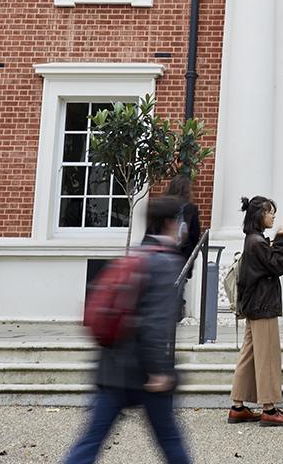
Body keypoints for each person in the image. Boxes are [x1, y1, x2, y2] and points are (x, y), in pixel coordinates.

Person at [62, 195, 190, 464]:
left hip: (112, 367)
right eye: (180, 221)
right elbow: (156, 322)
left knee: (90, 442)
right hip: (144, 373)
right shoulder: (166, 262)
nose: (183, 227)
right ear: (169, 223)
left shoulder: (138, 255)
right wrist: (159, 371)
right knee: (171, 443)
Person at [228, 196, 283, 427]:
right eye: (269, 212)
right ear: (258, 215)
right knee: (267, 357)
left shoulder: (252, 240)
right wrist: (281, 240)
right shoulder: (257, 242)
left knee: (249, 355)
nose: (273, 216)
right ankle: (269, 408)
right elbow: (278, 266)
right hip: (263, 305)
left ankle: (238, 406)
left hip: (254, 304)